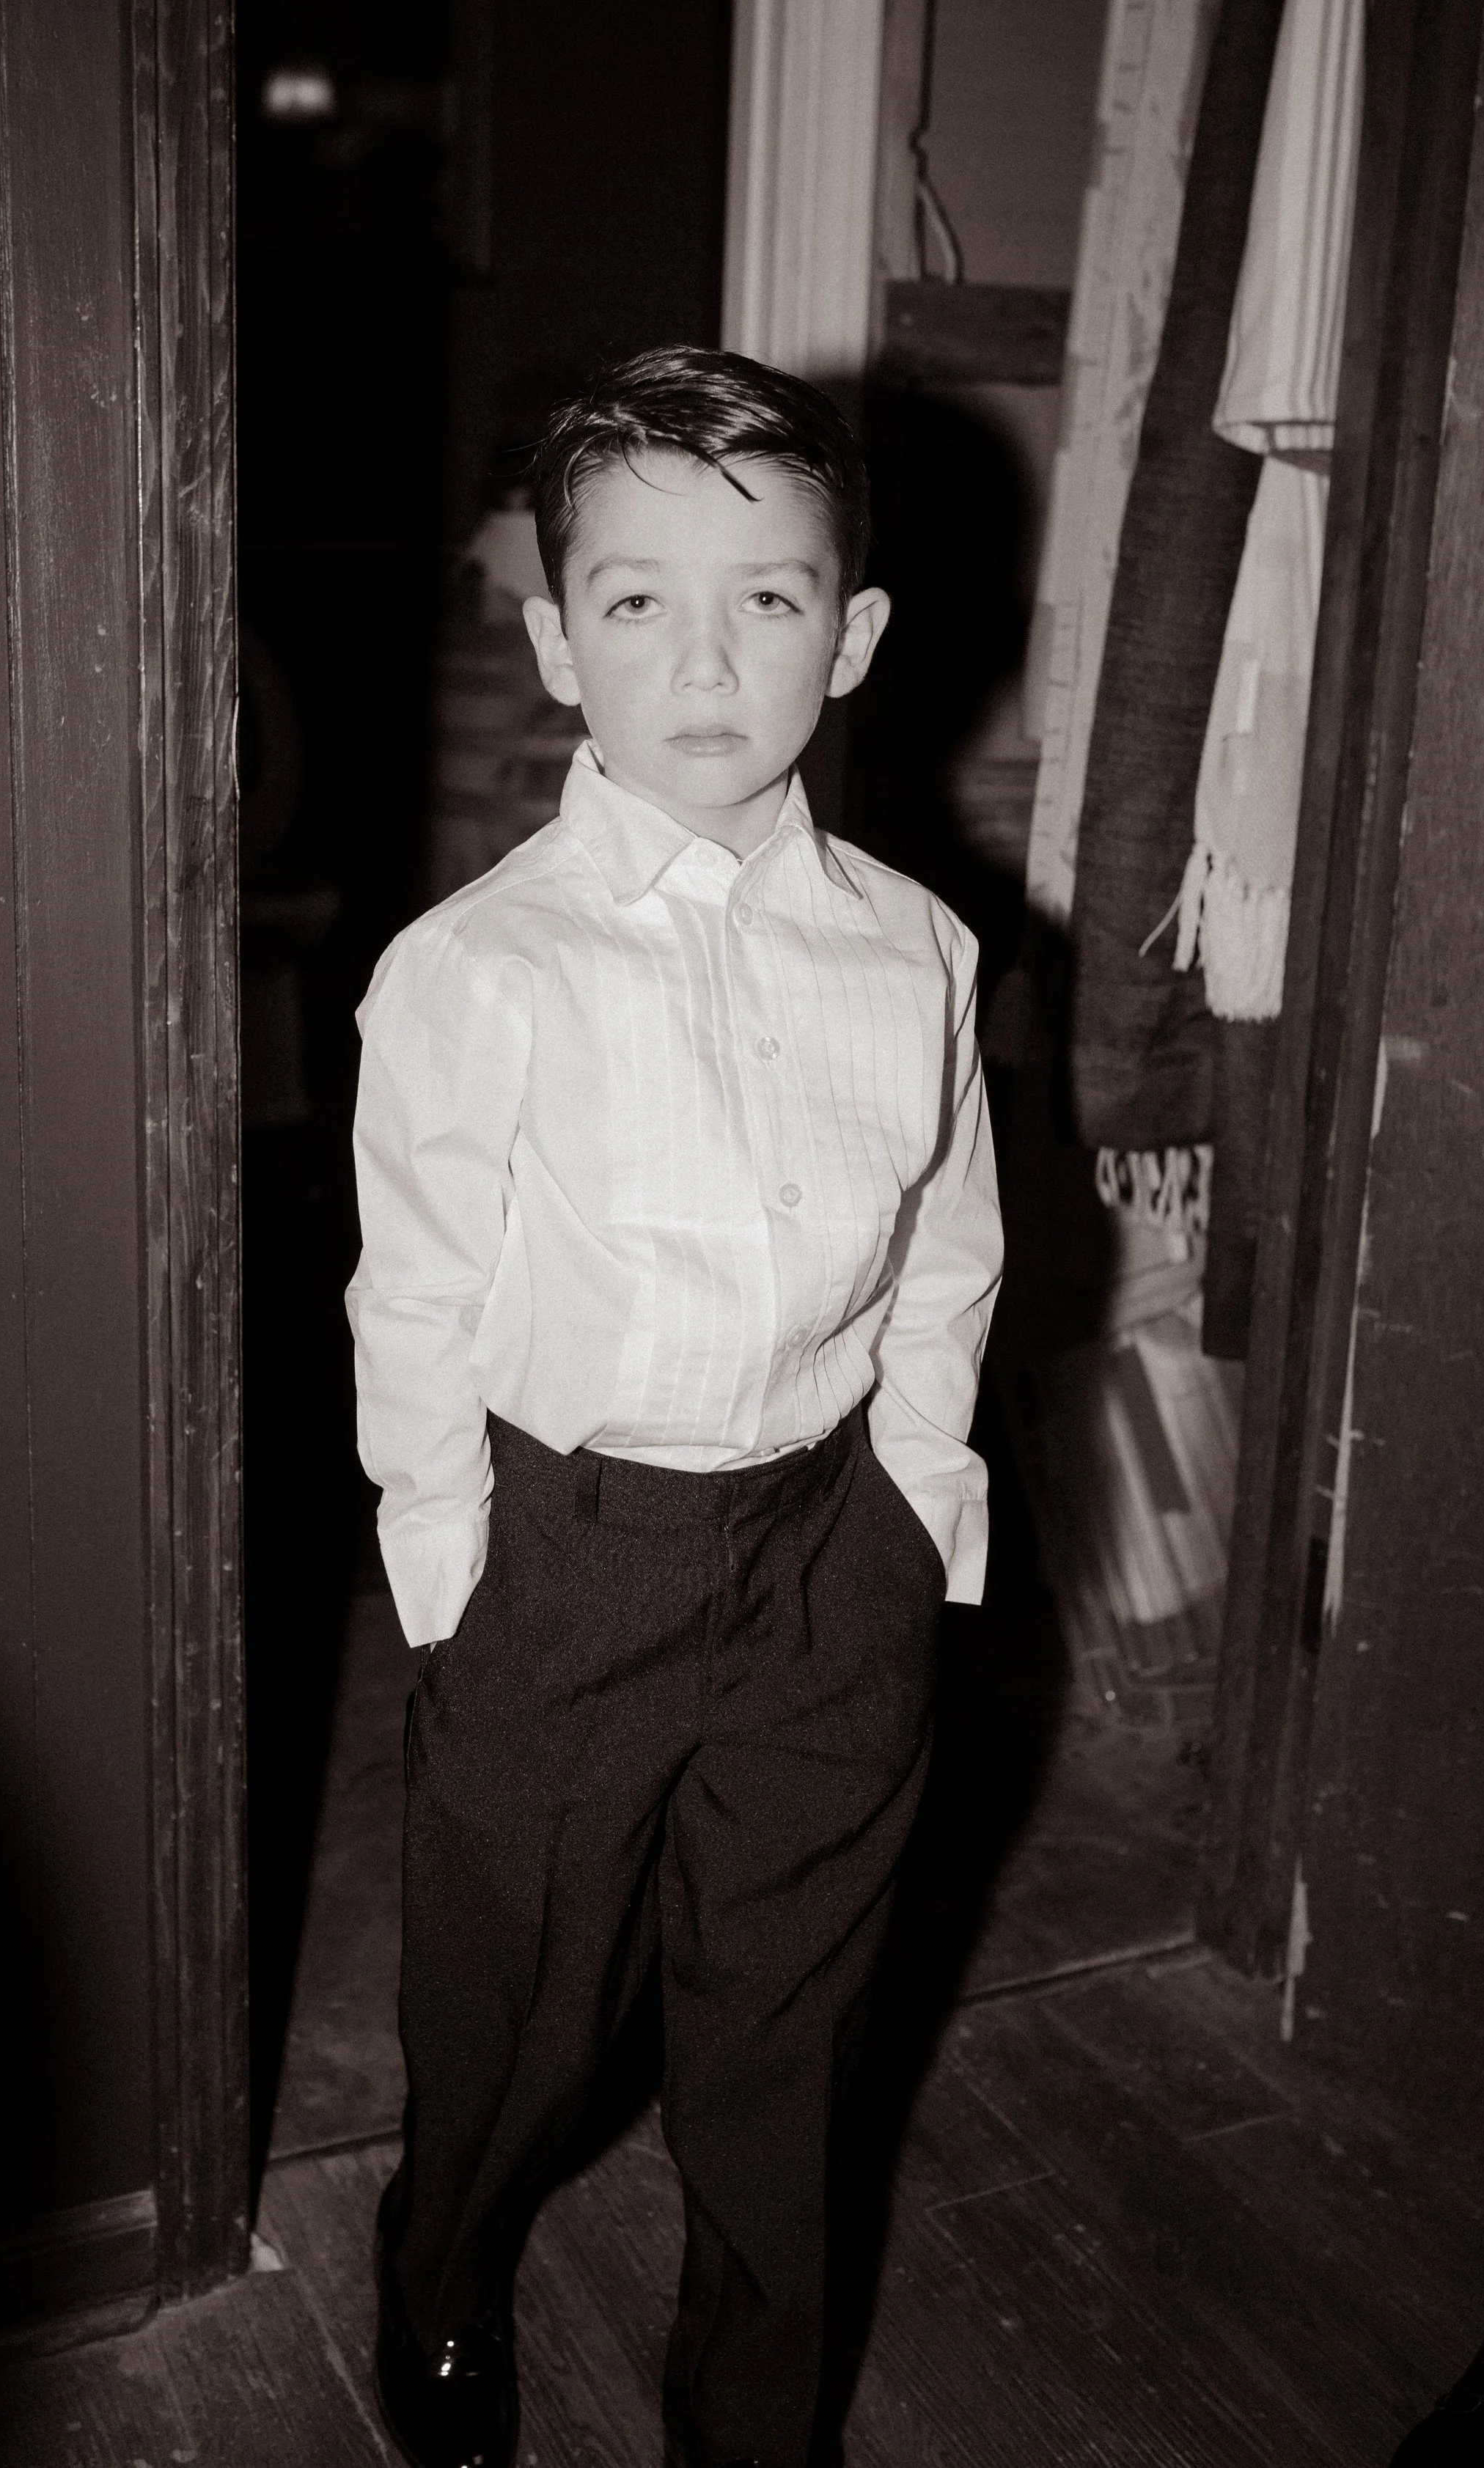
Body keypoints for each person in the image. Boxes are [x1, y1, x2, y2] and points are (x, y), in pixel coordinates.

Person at [348, 347, 1003, 2468]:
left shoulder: (916, 950)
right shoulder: (479, 968)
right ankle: (440, 2262)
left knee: (786, 2027)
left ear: (856, 633)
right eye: (638, 601)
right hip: (569, 1554)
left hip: (828, 1554)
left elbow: (950, 1249)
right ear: (555, 640)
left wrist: (914, 1500)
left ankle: (750, 2412)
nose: (705, 661)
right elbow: (418, 1294)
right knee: (519, 2004)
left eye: (768, 600)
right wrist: (455, 1584)